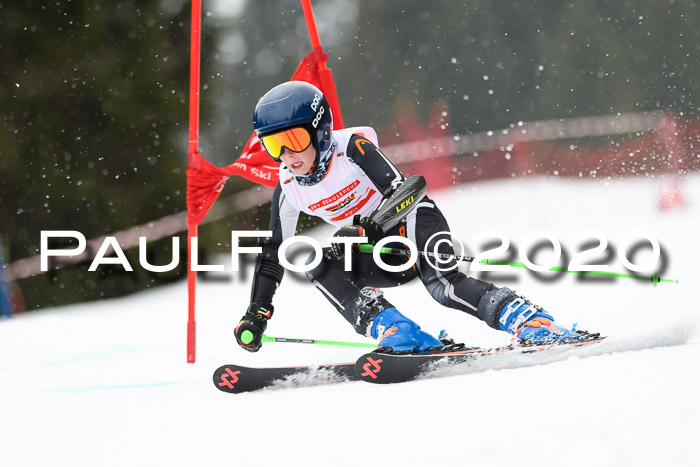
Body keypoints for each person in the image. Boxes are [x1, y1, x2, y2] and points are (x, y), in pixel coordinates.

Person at [234, 81, 580, 354]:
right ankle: (398, 331)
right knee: (315, 261)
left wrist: (369, 227)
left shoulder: (351, 149)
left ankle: (529, 321)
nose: (286, 155)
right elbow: (272, 255)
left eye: (293, 140)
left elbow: (409, 189)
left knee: (443, 286)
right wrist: (258, 311)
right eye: (273, 145)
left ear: (320, 130)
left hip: (410, 225)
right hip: (377, 256)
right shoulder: (289, 188)